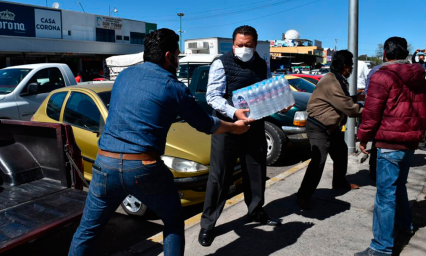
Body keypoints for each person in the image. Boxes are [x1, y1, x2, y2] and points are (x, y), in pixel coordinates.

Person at [68, 28, 252, 256]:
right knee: (173, 221)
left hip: (105, 163)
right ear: (168, 56)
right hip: (144, 168)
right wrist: (235, 127)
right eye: (177, 54)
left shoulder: (123, 77)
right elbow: (205, 124)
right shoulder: (173, 87)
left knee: (87, 231)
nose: (178, 59)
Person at [198, 25, 292, 247]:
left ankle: (256, 211)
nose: (244, 49)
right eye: (240, 45)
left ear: (255, 44)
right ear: (233, 44)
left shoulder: (261, 64)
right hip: (228, 128)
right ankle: (208, 224)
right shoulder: (221, 63)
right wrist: (233, 113)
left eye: (248, 45)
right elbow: (212, 96)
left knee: (256, 173)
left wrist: (280, 104)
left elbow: (266, 92)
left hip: (254, 127)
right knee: (219, 177)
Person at [356, 37, 426, 256]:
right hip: (410, 141)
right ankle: (405, 225)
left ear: (385, 54)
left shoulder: (381, 75)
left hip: (389, 142)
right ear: (406, 53)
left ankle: (381, 247)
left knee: (385, 196)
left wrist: (363, 137)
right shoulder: (419, 74)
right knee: (400, 187)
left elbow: (371, 111)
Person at [296, 50, 363, 210]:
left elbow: (339, 100)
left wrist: (355, 98)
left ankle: (339, 182)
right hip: (319, 126)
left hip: (331, 126)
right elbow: (348, 108)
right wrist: (370, 110)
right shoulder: (332, 82)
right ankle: (303, 196)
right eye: (351, 65)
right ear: (346, 67)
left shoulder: (337, 79)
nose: (352, 68)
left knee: (340, 152)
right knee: (318, 161)